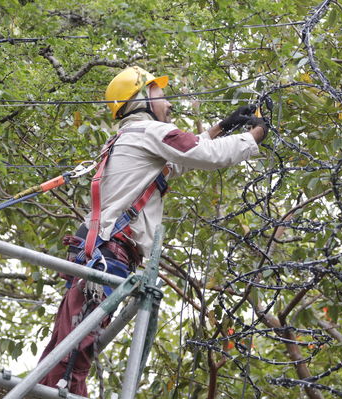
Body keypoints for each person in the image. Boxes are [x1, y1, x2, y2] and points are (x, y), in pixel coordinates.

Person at [39, 66, 268, 396]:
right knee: (73, 354)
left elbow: (180, 158)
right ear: (139, 101)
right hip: (108, 254)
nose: (169, 104)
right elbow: (204, 155)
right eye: (160, 95)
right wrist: (254, 136)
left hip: (98, 251)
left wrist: (223, 127)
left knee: (65, 345)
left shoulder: (129, 137)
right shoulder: (151, 131)